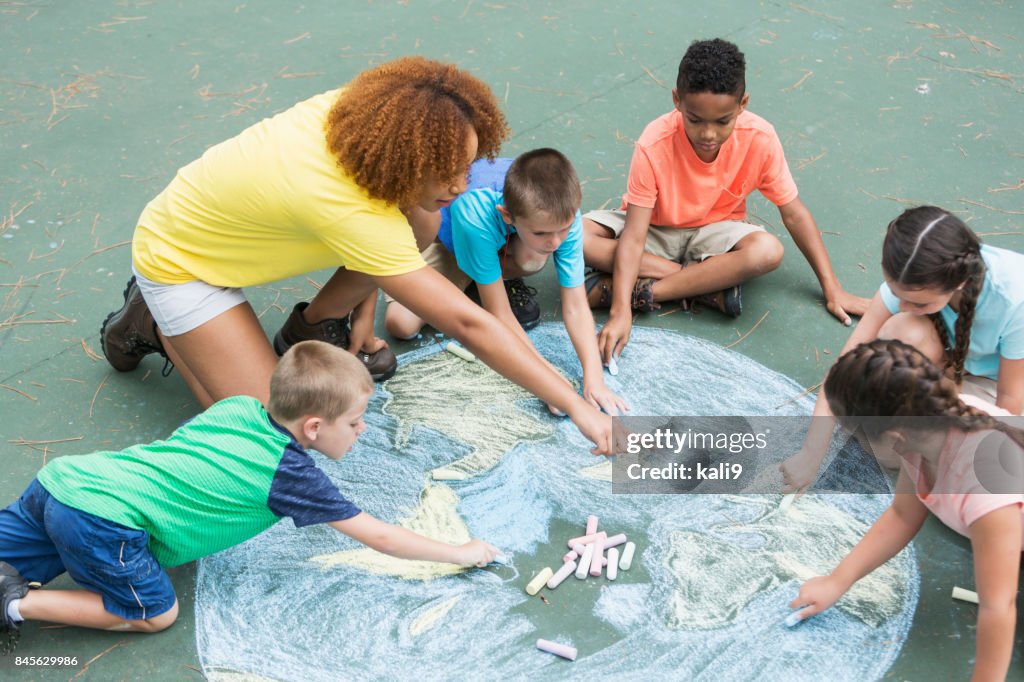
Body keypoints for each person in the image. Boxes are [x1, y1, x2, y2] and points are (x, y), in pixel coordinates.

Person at [97, 56, 614, 455]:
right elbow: (468, 322)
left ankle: (310, 327)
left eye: (469, 165)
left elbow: (399, 256)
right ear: (406, 160)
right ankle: (150, 316)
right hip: (182, 263)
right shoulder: (346, 207)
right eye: (449, 171)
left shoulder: (374, 121)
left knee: (425, 220)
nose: (462, 185)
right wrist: (572, 401)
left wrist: (363, 328)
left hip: (238, 230)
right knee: (279, 438)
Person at [0, 341, 499, 651]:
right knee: (154, 614)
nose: (362, 430)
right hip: (103, 522)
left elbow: (187, 462)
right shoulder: (290, 476)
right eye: (353, 422)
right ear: (314, 426)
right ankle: (18, 604)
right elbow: (381, 537)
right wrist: (461, 552)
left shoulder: (239, 407)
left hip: (65, 480)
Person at [582, 38, 868, 364]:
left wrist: (833, 289)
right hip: (654, 231)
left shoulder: (760, 137)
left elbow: (794, 215)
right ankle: (704, 285)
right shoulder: (654, 140)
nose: (708, 134)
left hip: (716, 233)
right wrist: (619, 314)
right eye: (695, 120)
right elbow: (634, 235)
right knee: (574, 236)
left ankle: (650, 290)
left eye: (722, 121)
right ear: (677, 100)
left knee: (768, 251)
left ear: (742, 104)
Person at [790, 339, 1023, 682]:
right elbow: (902, 515)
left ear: (894, 436)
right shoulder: (925, 427)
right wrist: (837, 581)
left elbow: (998, 606)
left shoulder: (985, 487)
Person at [781, 205, 1024, 492]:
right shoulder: (913, 275)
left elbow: (1009, 405)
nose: (904, 306)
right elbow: (843, 368)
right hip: (954, 368)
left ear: (958, 283)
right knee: (901, 331)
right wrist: (812, 453)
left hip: (999, 389)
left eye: (919, 303)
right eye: (896, 295)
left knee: (984, 469)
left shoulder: (1014, 297)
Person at [385, 149, 628, 416]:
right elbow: (499, 313)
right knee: (401, 324)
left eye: (564, 229)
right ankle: (482, 277)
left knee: (532, 256)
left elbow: (576, 305)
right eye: (542, 232)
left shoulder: (562, 213)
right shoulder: (475, 213)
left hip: (501, 243)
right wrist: (552, 384)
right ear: (507, 215)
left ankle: (489, 274)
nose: (556, 241)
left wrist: (595, 379)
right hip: (448, 239)